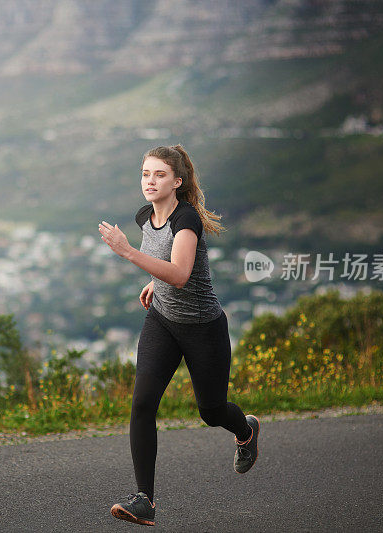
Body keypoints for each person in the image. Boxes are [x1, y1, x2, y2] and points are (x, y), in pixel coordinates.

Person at [98, 145, 260, 527]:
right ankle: (144, 501)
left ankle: (246, 430)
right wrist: (155, 283)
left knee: (211, 410)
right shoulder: (144, 217)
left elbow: (181, 273)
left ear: (177, 181)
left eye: (158, 175)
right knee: (142, 404)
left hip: (203, 329)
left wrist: (128, 254)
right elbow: (166, 269)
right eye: (144, 174)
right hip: (163, 322)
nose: (149, 182)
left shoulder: (187, 220)